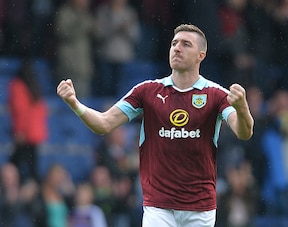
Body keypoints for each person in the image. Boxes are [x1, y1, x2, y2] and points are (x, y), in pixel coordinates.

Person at [57, 24, 254, 227]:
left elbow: (243, 132)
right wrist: (75, 104)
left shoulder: (216, 95)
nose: (177, 48)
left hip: (200, 209)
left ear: (201, 55)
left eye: (186, 44)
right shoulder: (147, 91)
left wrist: (242, 109)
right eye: (174, 43)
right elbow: (104, 124)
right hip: (158, 208)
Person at [8, 59, 49, 183]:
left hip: (25, 133)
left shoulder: (18, 86)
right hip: (35, 133)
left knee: (15, 164)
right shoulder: (35, 87)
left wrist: (20, 131)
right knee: (31, 166)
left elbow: (20, 110)